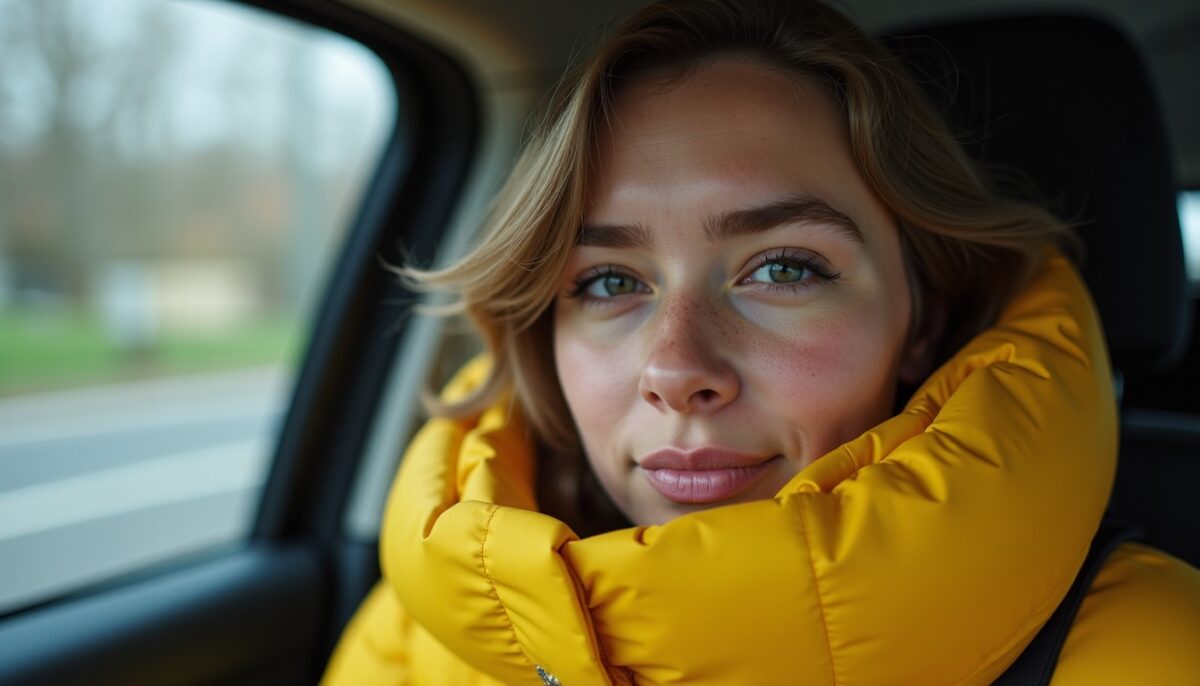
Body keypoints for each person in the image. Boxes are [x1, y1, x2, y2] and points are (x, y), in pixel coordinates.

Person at [322, 0, 1200, 683]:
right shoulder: (425, 630)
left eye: (782, 269)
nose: (676, 369)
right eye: (608, 282)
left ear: (921, 321)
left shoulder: (1163, 652)